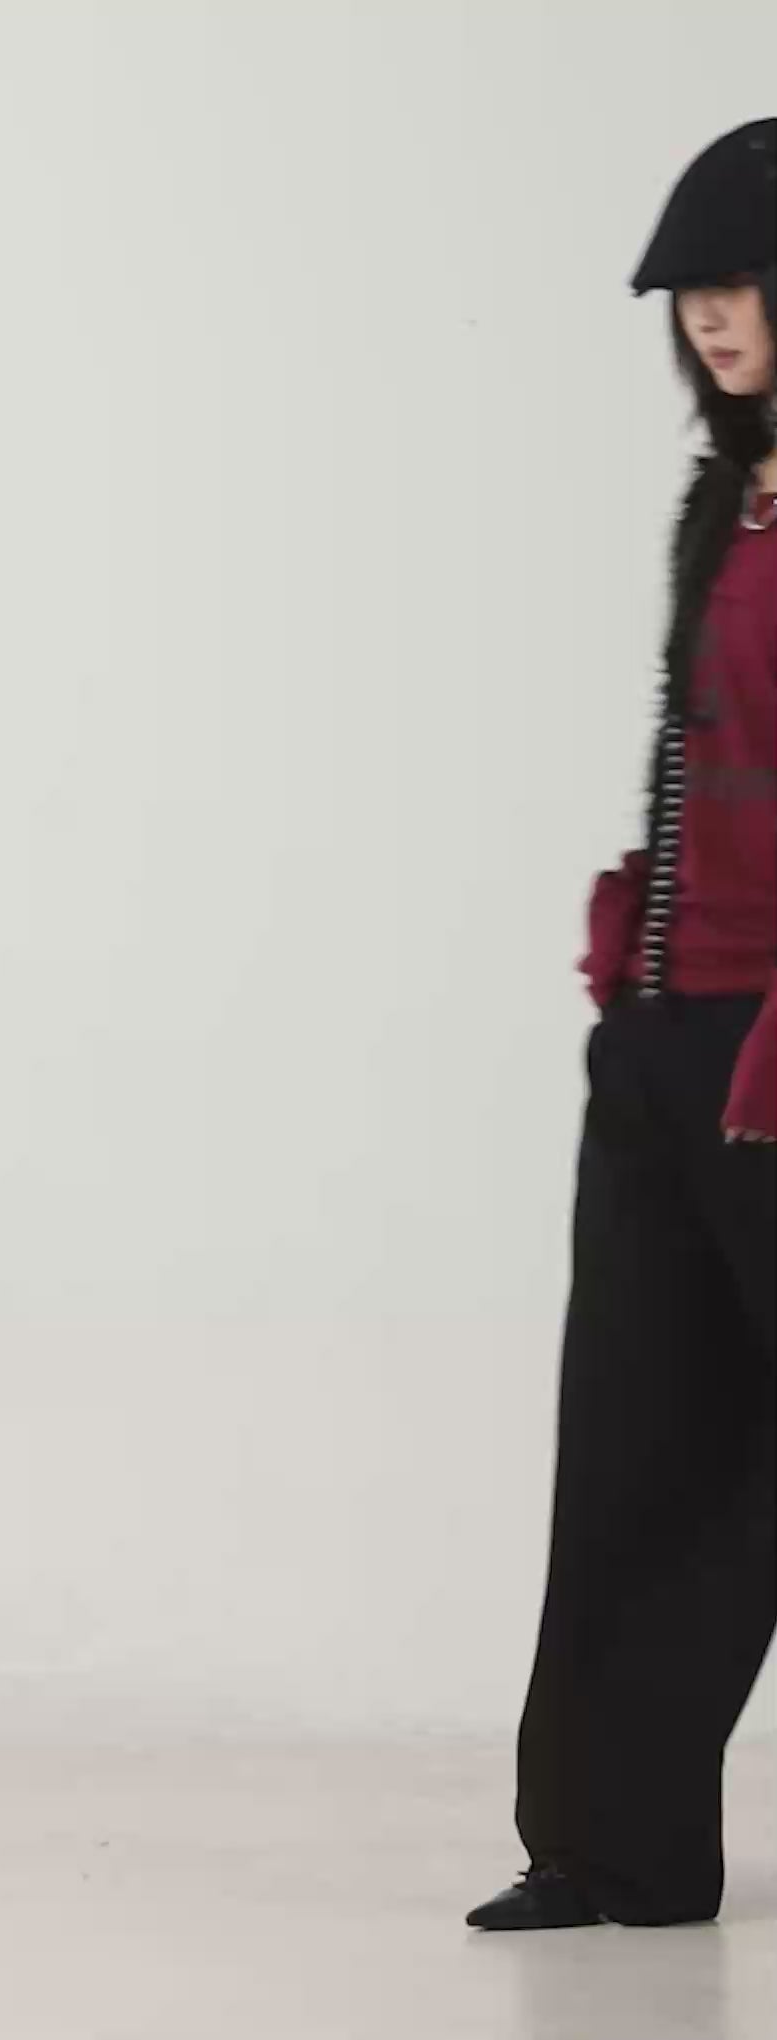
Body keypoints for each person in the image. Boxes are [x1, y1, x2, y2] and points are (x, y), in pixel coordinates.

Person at [468, 118, 777, 1933]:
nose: (713, 318)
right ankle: (616, 1846)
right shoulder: (726, 499)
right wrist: (636, 942)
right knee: (638, 1433)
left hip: (774, 1051)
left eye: (742, 283)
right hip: (671, 1038)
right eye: (692, 294)